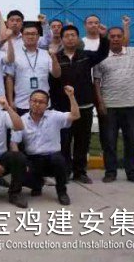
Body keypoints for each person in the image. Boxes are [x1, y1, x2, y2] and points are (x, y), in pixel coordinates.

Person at [94, 18, 134, 185]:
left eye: (119, 36)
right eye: (112, 36)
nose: (116, 39)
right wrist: (100, 103)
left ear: (124, 38)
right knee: (109, 143)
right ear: (108, 38)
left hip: (131, 106)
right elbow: (96, 82)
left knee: (132, 142)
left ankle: (132, 173)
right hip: (109, 107)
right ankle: (110, 172)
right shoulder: (101, 56)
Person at [50, 24, 109, 184]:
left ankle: (80, 172)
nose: (70, 38)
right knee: (64, 141)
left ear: (77, 38)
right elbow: (53, 81)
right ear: (62, 39)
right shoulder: (56, 57)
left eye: (73, 35)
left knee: (82, 141)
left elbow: (102, 53)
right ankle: (65, 171)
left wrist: (103, 37)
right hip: (63, 109)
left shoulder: (86, 56)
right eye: (67, 36)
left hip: (84, 106)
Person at [10, 87, 80, 205]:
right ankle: (37, 185)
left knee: (59, 160)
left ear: (47, 105)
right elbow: (14, 143)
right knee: (23, 172)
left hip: (52, 157)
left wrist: (71, 96)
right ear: (29, 102)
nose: (37, 104)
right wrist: (19, 161)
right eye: (34, 101)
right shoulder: (22, 120)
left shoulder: (54, 116)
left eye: (41, 102)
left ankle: (62, 192)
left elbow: (75, 115)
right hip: (33, 159)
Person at [6, 23, 61, 115]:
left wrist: (54, 58)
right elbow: (9, 78)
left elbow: (57, 74)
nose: (30, 36)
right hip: (21, 103)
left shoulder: (46, 54)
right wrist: (10, 101)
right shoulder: (14, 54)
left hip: (44, 103)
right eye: (27, 34)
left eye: (33, 34)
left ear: (38, 36)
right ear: (22, 36)